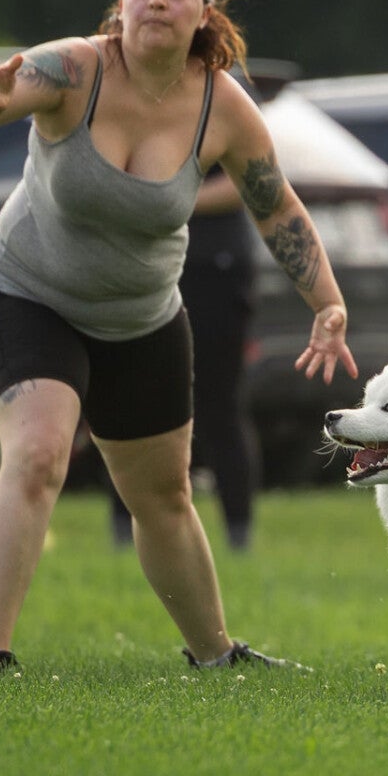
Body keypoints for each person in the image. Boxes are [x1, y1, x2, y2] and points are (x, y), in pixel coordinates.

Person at [0, 0, 356, 673]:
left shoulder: (222, 106)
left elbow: (276, 207)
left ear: (203, 11)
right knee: (36, 452)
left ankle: (215, 655)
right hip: (24, 291)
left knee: (161, 496)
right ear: (120, 2)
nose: (156, 1)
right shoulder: (72, 68)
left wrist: (325, 301)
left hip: (140, 318)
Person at [108, 168, 260, 553]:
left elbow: (247, 180)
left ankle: (237, 534)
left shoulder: (226, 105)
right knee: (131, 394)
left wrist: (164, 203)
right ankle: (126, 527)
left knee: (216, 402)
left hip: (213, 264)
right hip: (142, 262)